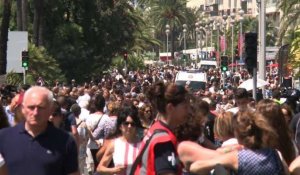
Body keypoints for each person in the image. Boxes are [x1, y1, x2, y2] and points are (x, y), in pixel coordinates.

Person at [0, 86, 79, 175]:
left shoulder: (65, 141)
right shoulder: (4, 137)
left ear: (51, 109)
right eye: (31, 107)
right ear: (23, 109)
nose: (35, 113)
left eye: (41, 107)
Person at [186, 110, 289, 175]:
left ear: (237, 134)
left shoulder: (236, 157)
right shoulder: (275, 154)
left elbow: (196, 167)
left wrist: (223, 152)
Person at [131, 81, 190, 175]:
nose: (188, 110)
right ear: (170, 108)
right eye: (185, 106)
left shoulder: (156, 128)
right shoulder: (163, 140)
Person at [97, 106, 142, 174]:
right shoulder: (114, 144)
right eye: (126, 123)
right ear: (120, 126)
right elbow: (100, 168)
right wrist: (113, 170)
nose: (129, 126)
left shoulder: (142, 144)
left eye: (132, 124)